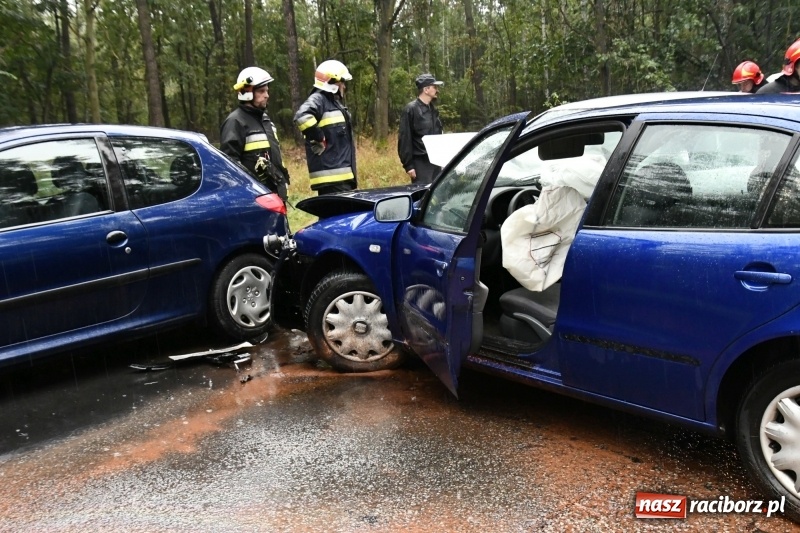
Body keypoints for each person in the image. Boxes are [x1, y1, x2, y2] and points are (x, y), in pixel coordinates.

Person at [220, 67, 290, 202]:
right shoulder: (235, 122)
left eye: (267, 91)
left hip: (275, 195)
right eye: (261, 91)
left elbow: (276, 156)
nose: (267, 95)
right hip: (253, 198)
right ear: (246, 93)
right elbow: (229, 165)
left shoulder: (266, 120)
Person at [294, 60, 356, 195]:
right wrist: (319, 136)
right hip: (333, 180)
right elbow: (302, 116)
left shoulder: (332, 102)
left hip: (341, 179)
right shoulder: (319, 99)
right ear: (332, 82)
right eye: (342, 82)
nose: (344, 86)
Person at [397, 73, 444, 184]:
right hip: (420, 163)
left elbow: (439, 135)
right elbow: (404, 138)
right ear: (426, 89)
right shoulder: (411, 109)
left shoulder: (433, 110)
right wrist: (409, 165)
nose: (437, 90)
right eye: (434, 87)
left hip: (436, 161)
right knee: (423, 193)